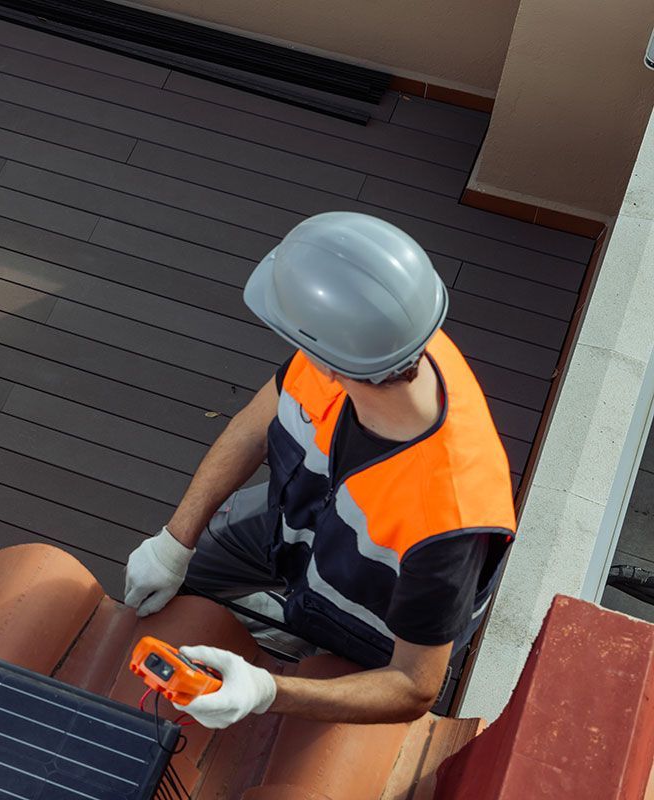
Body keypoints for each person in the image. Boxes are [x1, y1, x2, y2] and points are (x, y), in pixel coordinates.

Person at [124, 212, 516, 726]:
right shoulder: (373, 341)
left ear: (332, 363)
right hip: (289, 521)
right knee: (184, 580)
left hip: (368, 613)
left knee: (319, 664)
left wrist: (267, 692)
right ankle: (281, 611)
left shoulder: (448, 519)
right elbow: (251, 427)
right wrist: (175, 541)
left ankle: (293, 628)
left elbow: (413, 685)